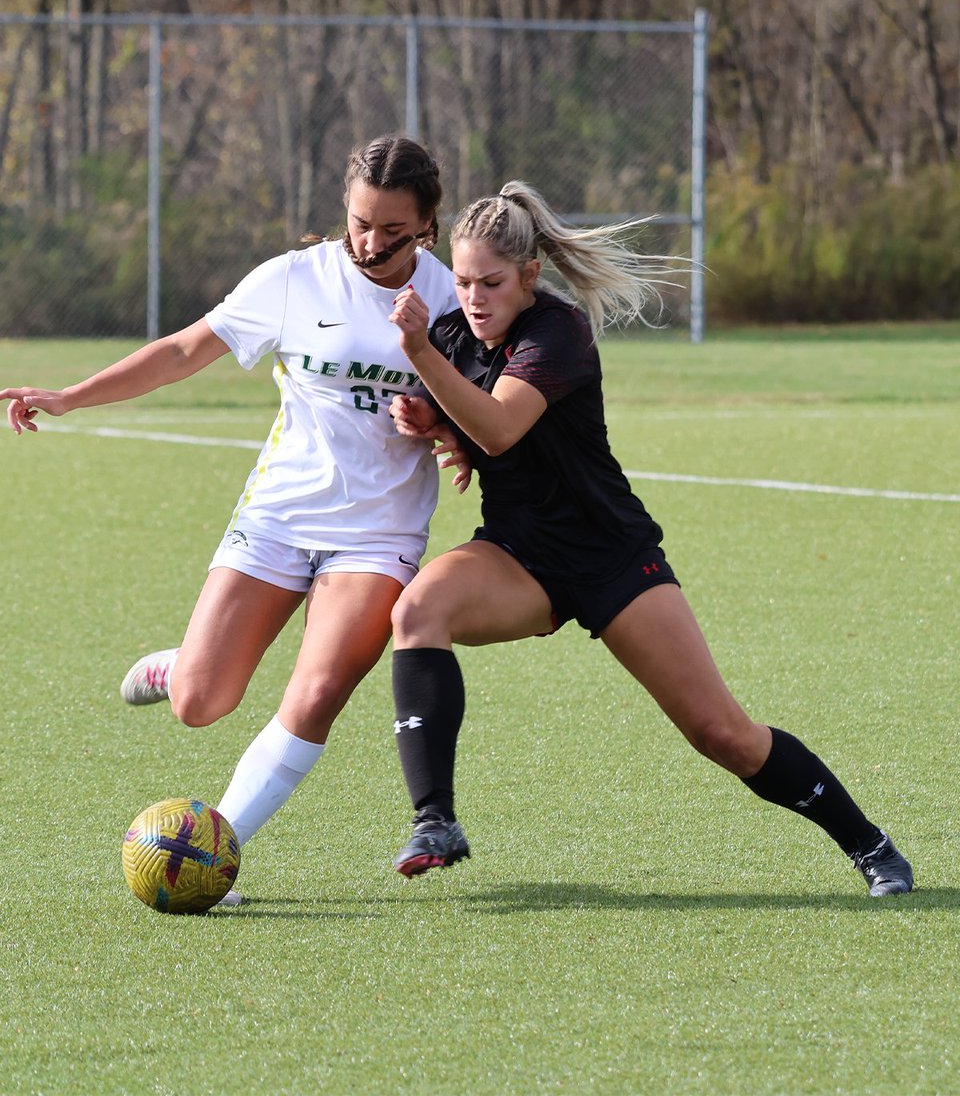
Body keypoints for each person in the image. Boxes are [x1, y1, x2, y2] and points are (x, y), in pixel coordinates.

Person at [383, 180, 914, 897]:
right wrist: (434, 423)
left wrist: (422, 360)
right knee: (418, 613)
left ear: (530, 276)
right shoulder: (451, 336)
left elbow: (502, 425)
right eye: (465, 280)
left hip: (610, 556)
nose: (474, 297)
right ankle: (435, 820)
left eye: (492, 282)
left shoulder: (558, 333)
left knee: (722, 734)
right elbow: (471, 415)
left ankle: (871, 845)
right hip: (518, 557)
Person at [2, 135, 467, 905]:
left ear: (427, 226)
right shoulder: (294, 280)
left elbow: (476, 417)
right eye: (360, 224)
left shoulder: (450, 302)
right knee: (200, 702)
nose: (371, 244)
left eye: (393, 231)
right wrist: (71, 395)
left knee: (315, 692)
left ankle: (210, 855)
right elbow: (185, 349)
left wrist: (438, 424)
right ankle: (180, 665)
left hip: (377, 535)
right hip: (279, 516)